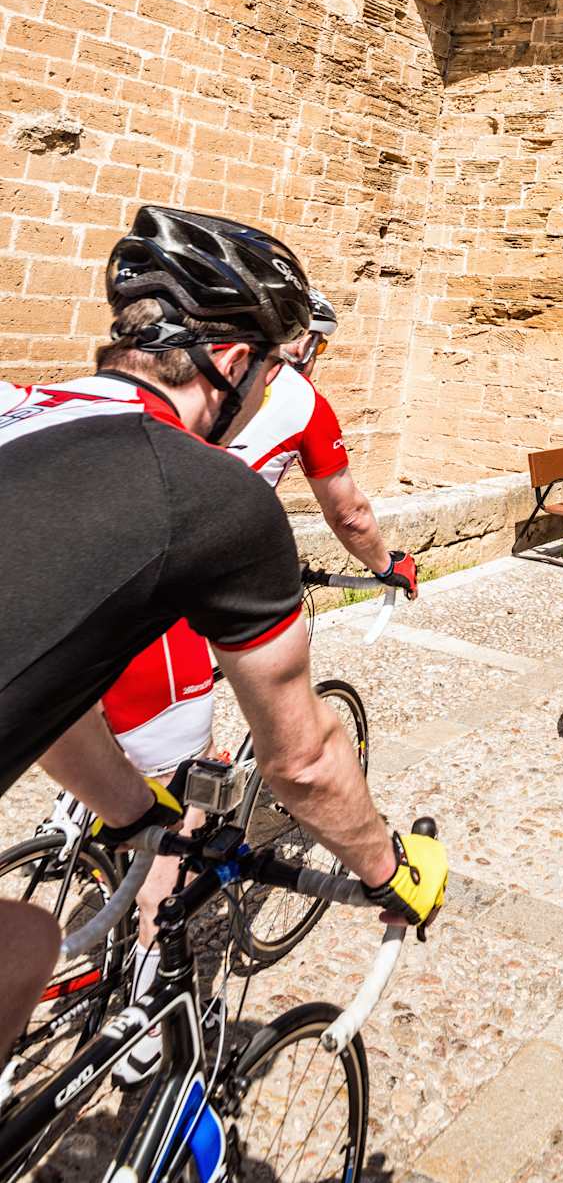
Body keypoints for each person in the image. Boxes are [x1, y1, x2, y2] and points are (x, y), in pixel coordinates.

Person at [0, 205, 446, 1064]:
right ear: (235, 363)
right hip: (169, 644)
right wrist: (392, 870)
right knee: (24, 945)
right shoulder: (210, 490)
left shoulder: (18, 407)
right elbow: (304, 761)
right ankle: (136, 1013)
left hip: (101, 704)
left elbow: (49, 680)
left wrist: (133, 813)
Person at [97, 283, 420, 1079]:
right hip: (169, 609)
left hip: (86, 586)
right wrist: (390, 567)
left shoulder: (92, 399)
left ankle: (79, 841)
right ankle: (143, 1003)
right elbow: (348, 513)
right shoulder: (301, 400)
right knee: (174, 813)